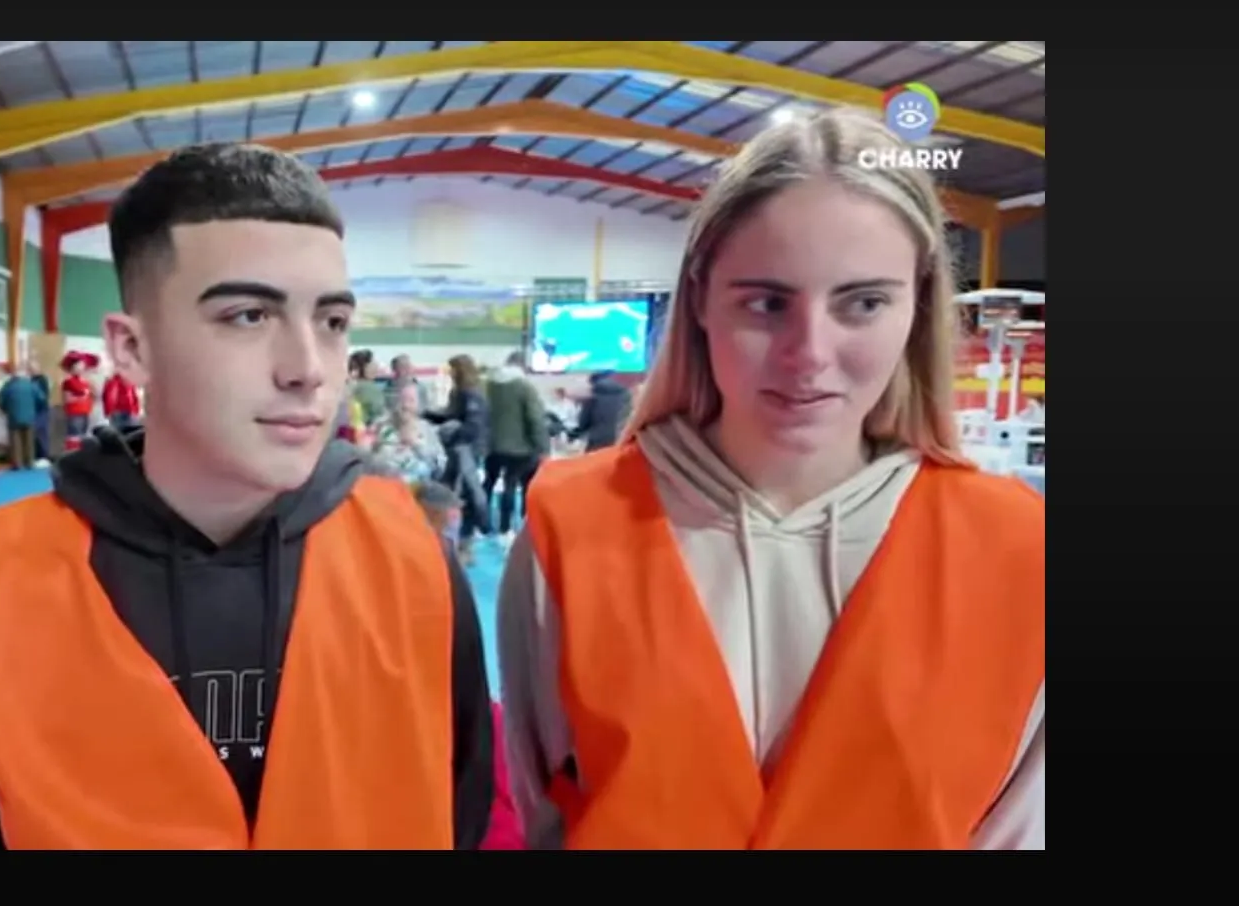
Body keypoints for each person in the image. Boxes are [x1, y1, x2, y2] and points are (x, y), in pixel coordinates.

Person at [0, 142, 495, 850]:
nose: (308, 369)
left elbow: (459, 807)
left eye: (332, 322)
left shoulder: (413, 562)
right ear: (132, 349)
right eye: (248, 315)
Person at [497, 109, 1045, 851]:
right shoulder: (572, 527)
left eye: (863, 302)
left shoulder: (1015, 550)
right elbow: (547, 816)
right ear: (700, 298)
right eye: (766, 302)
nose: (809, 353)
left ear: (916, 308)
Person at [423, 354, 494, 562]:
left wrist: (452, 434)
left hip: (466, 448)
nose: (449, 373)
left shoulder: (471, 394)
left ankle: (481, 529)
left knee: (468, 491)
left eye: (452, 369)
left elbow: (473, 425)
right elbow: (452, 415)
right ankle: (463, 539)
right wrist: (430, 415)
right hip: (459, 447)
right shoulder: (460, 392)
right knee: (455, 490)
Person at [483, 350, 550, 540]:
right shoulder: (524, 387)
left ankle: (482, 523)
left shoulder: (490, 385)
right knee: (512, 486)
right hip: (520, 448)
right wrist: (543, 448)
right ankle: (509, 528)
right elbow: (535, 418)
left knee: (488, 484)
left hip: (492, 444)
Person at [366, 383, 446, 485]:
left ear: (419, 405)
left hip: (415, 487)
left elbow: (439, 466)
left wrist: (416, 445)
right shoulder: (383, 425)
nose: (405, 405)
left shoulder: (426, 429)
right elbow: (369, 455)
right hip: (384, 483)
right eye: (402, 400)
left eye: (411, 401)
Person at [0, 360, 47, 471]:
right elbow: (42, 399)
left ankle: (17, 464)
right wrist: (35, 410)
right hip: (30, 417)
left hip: (13, 417)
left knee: (15, 441)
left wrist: (6, 410)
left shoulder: (8, 386)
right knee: (29, 441)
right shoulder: (32, 385)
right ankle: (29, 462)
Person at [571, 369, 632, 451]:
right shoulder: (626, 395)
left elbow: (583, 422)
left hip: (597, 441)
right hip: (619, 439)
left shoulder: (592, 396)